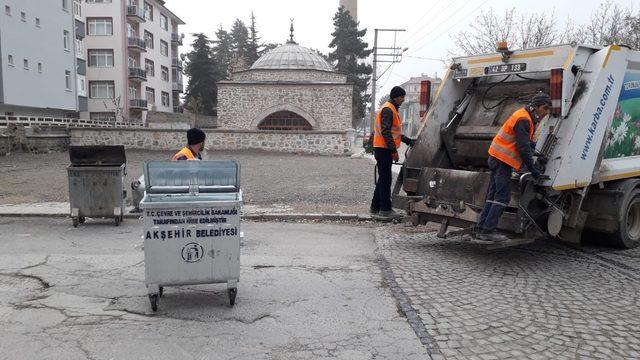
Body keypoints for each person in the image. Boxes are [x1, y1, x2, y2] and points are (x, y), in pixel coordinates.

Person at [475, 92, 552, 242]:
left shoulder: (523, 115)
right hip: (503, 161)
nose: (546, 112)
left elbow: (522, 140)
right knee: (502, 197)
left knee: (492, 196)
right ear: (536, 107)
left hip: (496, 158)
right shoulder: (524, 119)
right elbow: (523, 148)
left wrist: (532, 146)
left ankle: (481, 228)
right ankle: (487, 231)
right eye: (545, 108)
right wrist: (533, 170)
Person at [370, 86, 416, 220]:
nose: (403, 100)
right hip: (384, 149)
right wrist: (394, 151)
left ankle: (375, 207)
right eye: (402, 97)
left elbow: (394, 132)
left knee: (383, 179)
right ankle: (385, 209)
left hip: (381, 148)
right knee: (386, 179)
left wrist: (407, 140)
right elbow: (386, 132)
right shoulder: (389, 109)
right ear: (396, 97)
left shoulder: (389, 108)